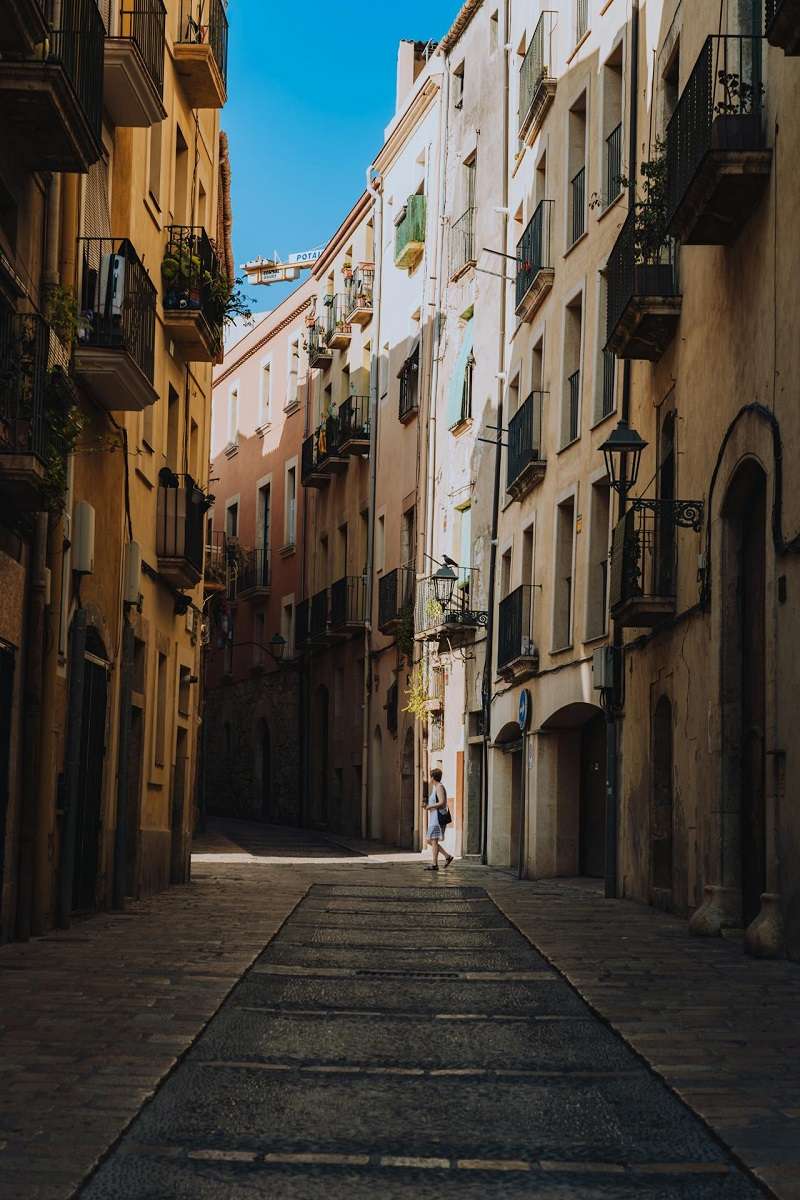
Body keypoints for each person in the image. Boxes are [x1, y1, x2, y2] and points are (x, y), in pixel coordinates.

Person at [422, 767, 454, 871]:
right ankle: (447, 856)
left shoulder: (439, 787)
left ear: (433, 777)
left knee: (433, 841)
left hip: (437, 819)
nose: (430, 779)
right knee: (429, 840)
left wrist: (429, 807)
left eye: (430, 777)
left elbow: (442, 802)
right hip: (434, 818)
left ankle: (435, 864)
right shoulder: (436, 788)